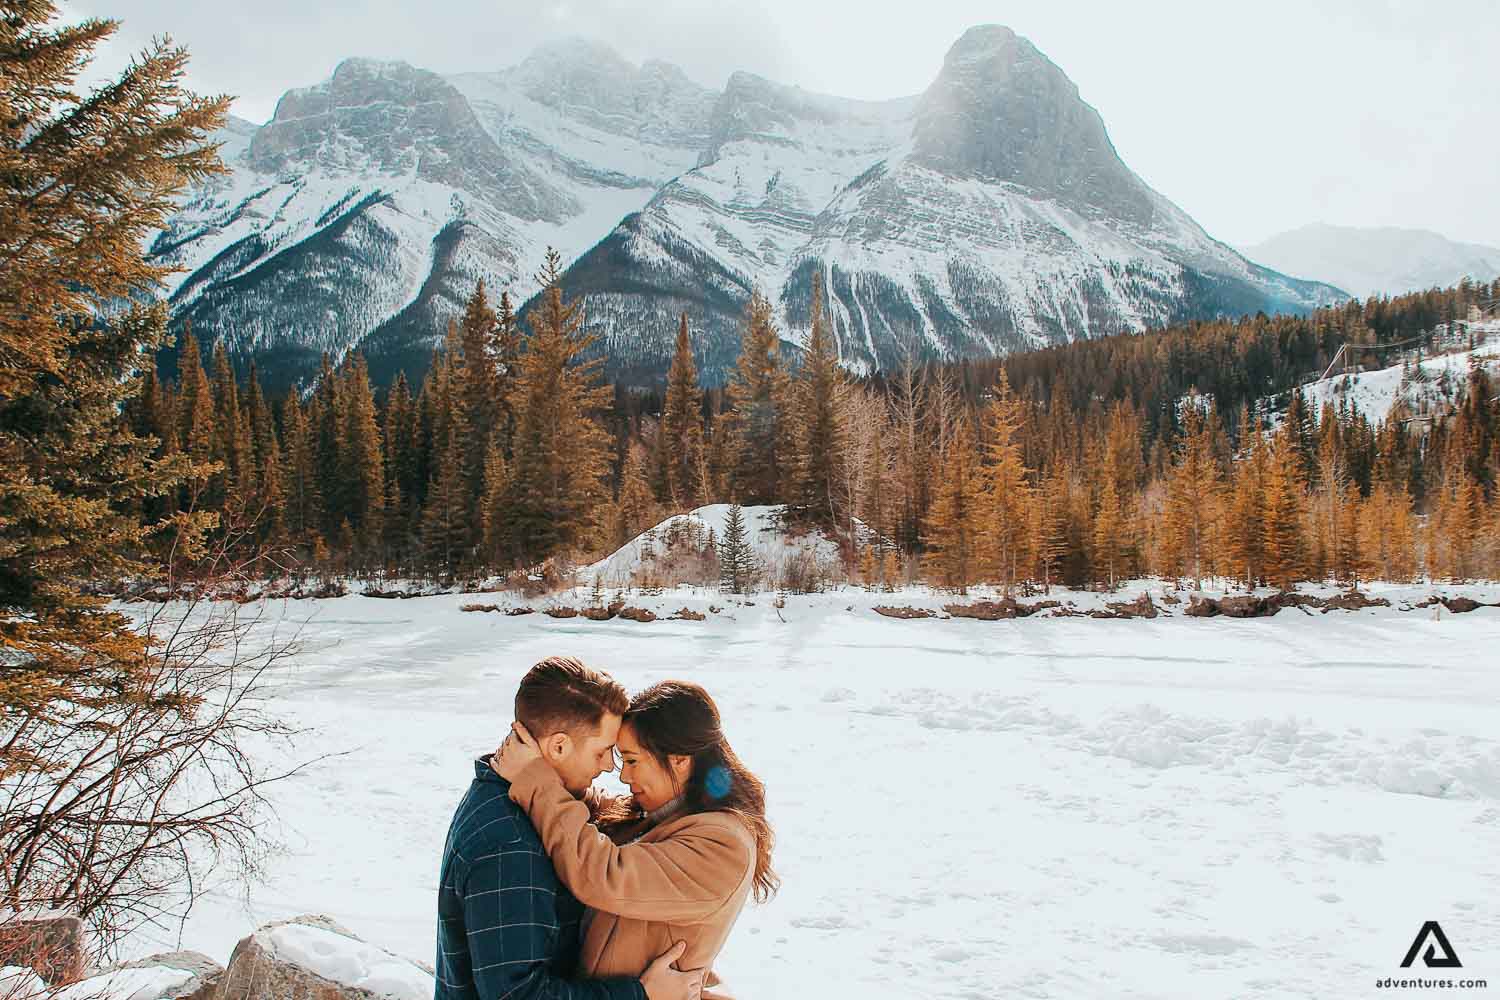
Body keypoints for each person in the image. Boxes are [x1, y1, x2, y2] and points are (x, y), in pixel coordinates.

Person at [436, 656, 704, 1000]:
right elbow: (517, 995)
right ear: (559, 746)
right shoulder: (511, 842)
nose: (609, 767)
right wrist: (640, 994)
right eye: (602, 752)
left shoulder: (506, 794)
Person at [493, 680, 778, 996]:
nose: (623, 775)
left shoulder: (723, 846)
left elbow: (601, 873)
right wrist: (564, 774)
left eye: (632, 760)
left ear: (680, 760)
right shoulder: (666, 815)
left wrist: (535, 778)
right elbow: (602, 809)